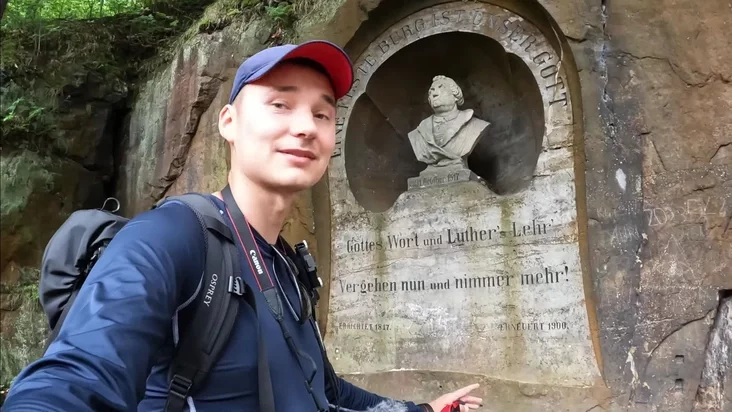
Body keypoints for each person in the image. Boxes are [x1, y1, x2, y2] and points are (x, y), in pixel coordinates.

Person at [1, 40, 482, 412]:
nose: (305, 127)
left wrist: (420, 409)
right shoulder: (171, 239)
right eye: (280, 105)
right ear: (228, 122)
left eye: (322, 113)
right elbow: (75, 379)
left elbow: (325, 390)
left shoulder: (289, 266)